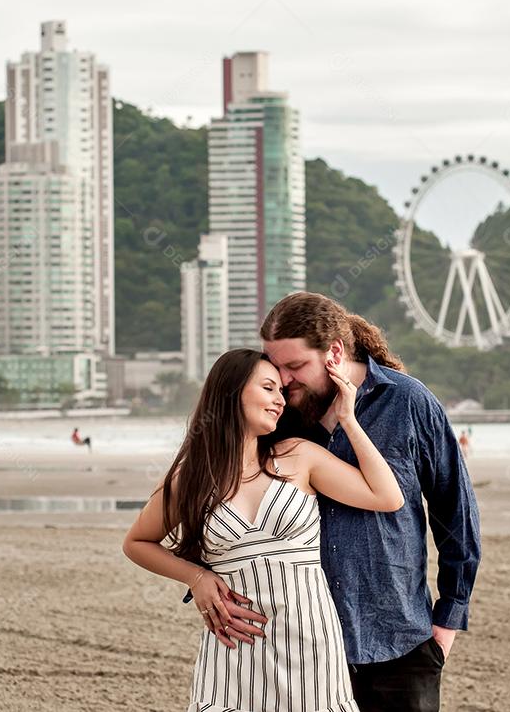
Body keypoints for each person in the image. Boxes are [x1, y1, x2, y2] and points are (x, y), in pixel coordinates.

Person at [123, 349, 403, 711]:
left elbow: (387, 496)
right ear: (232, 392)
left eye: (282, 393)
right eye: (269, 388)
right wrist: (196, 577)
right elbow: (137, 542)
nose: (280, 401)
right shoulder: (192, 477)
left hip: (310, 640)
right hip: (235, 643)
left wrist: (347, 418)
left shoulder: (299, 456)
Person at [237, 292, 479, 712]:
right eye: (276, 368)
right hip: (297, 646)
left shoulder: (409, 402)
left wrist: (447, 621)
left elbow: (455, 512)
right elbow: (228, 500)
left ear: (334, 351)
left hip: (400, 641)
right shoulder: (279, 416)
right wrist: (205, 582)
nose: (285, 380)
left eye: (295, 367)